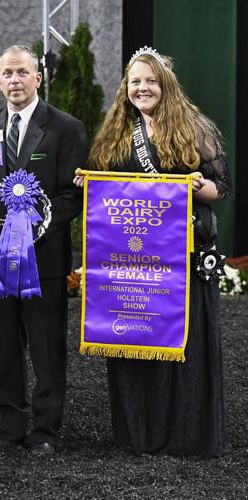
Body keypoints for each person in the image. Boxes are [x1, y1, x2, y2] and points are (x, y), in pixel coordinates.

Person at [85, 47, 229, 457]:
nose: (143, 88)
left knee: (184, 341)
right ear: (126, 88)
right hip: (134, 258)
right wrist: (90, 186)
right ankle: (140, 433)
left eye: (151, 81)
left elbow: (222, 188)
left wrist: (195, 186)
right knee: (136, 335)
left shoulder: (194, 127)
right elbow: (108, 191)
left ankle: (187, 435)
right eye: (136, 82)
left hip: (181, 254)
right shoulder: (116, 132)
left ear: (166, 86)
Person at [0, 45, 87, 455]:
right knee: (3, 344)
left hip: (46, 261)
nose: (14, 80)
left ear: (38, 78)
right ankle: (10, 425)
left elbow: (74, 194)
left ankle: (46, 430)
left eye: (22, 73)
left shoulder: (66, 128)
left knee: (47, 346)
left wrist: (37, 227)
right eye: (6, 74)